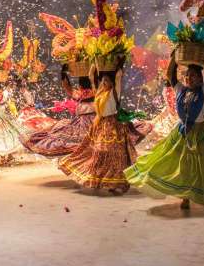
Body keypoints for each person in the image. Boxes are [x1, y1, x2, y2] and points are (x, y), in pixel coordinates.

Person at [124, 53, 204, 209]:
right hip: (181, 132)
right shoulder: (180, 90)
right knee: (183, 164)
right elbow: (170, 75)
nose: (188, 78)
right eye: (186, 75)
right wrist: (174, 57)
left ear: (200, 78)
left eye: (192, 76)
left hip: (201, 134)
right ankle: (186, 196)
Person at [58, 65, 146, 194]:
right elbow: (91, 78)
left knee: (116, 156)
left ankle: (117, 182)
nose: (105, 83)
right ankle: (100, 180)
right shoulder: (98, 92)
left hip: (114, 126)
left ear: (111, 82)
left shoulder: (115, 91)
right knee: (99, 153)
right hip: (100, 124)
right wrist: (93, 65)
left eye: (107, 81)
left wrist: (118, 65)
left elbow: (118, 77)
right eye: (103, 81)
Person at [22, 65, 96, 157]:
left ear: (80, 86)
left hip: (83, 123)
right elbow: (90, 79)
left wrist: (63, 73)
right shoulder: (94, 92)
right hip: (94, 122)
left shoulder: (79, 94)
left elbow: (66, 86)